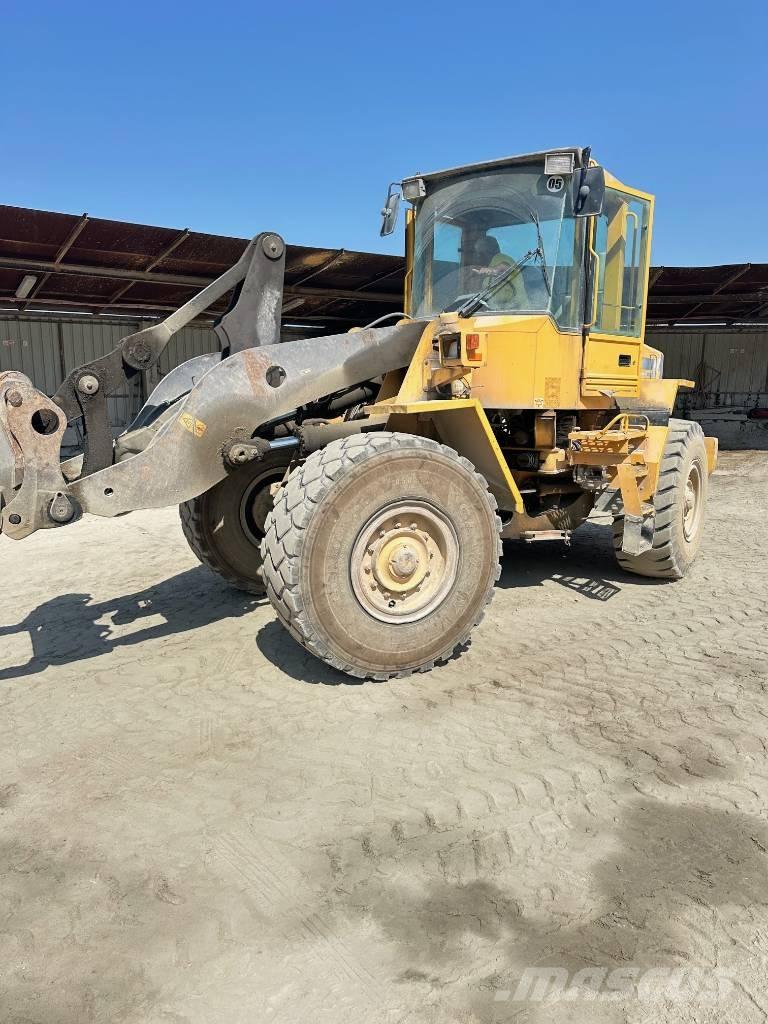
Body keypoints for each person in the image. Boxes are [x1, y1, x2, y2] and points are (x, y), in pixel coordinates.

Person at [469, 234, 529, 310]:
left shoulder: (500, 259)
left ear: (487, 252)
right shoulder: (491, 264)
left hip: (517, 312)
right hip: (502, 311)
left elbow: (505, 267)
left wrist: (493, 270)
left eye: (479, 253)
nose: (478, 257)